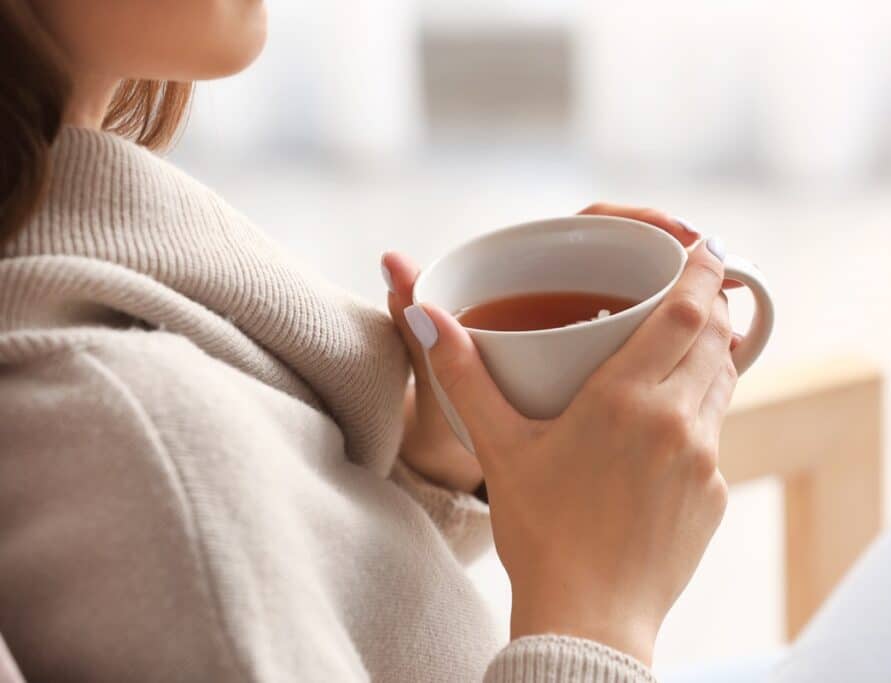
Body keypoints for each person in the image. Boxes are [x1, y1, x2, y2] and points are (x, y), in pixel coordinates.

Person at [0, 2, 738, 681]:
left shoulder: (108, 316)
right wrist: (596, 616)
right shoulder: (140, 449)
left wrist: (437, 447)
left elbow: (308, 600)